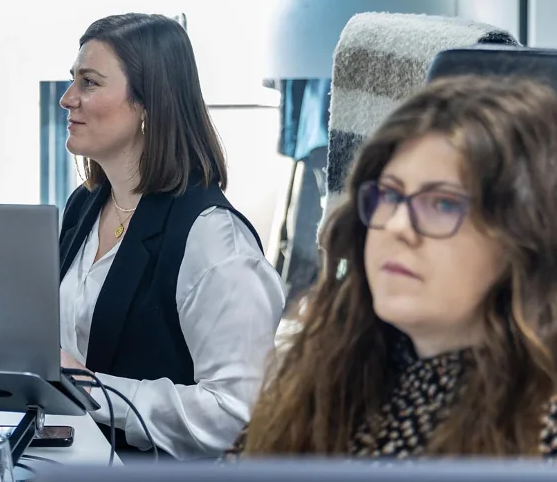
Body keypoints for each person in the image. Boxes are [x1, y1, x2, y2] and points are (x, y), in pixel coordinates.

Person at [231, 75, 557, 458]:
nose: (398, 226)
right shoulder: (326, 371)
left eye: (444, 204)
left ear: (527, 234)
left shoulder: (541, 424)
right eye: (389, 195)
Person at [58, 13, 285, 459]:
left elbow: (233, 413)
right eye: (73, 81)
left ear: (147, 105)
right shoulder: (83, 207)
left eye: (89, 83)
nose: (68, 99)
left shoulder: (213, 239)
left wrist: (90, 389)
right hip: (83, 476)